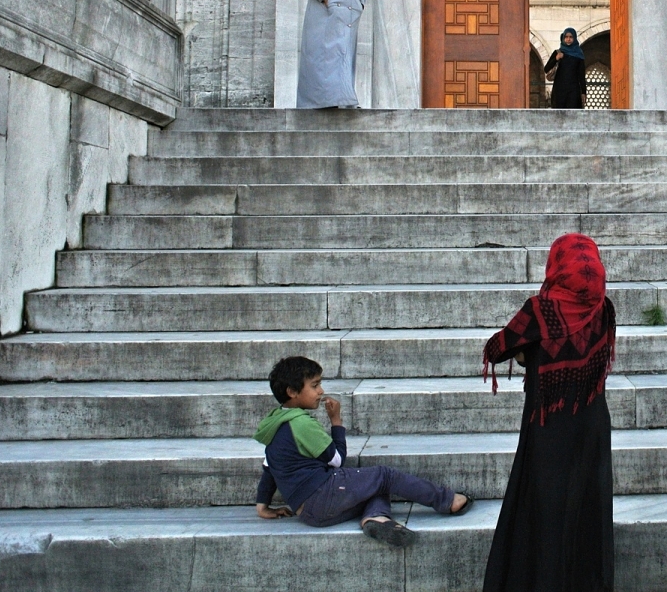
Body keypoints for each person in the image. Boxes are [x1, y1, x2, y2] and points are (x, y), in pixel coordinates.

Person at [482, 233, 616, 592]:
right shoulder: (603, 306)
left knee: (546, 513)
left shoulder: (542, 310)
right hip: (592, 420)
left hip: (550, 425)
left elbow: (496, 349)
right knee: (587, 511)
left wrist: (528, 353)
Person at [254, 356, 473, 546]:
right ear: (292, 392)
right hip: (324, 494)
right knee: (384, 476)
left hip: (309, 512)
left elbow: (268, 468)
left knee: (371, 485)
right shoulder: (301, 424)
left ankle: (376, 519)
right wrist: (336, 421)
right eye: (314, 385)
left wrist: (262, 507)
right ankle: (447, 500)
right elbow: (337, 460)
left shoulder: (274, 423)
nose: (321, 391)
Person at [542, 28, 587, 109]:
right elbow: (546, 69)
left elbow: (581, 75)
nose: (568, 39)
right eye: (566, 37)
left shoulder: (579, 54)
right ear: (563, 38)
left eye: (571, 37)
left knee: (573, 113)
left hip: (573, 90)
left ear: (574, 38)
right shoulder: (558, 52)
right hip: (559, 89)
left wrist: (583, 92)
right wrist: (556, 59)